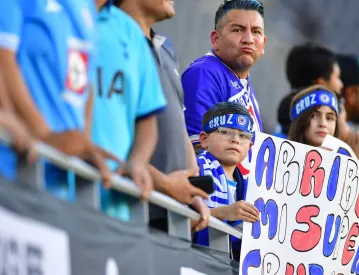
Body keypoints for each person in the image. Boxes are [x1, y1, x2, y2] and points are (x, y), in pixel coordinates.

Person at [0, 0, 118, 199]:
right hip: (13, 168)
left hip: (58, 185)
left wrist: (82, 145)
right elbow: (3, 57)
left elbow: (84, 86)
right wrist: (45, 136)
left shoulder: (86, 7)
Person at [116, 0, 209, 231]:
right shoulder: (113, 39)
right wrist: (165, 184)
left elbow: (178, 122)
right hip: (132, 203)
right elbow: (109, 133)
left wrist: (190, 190)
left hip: (173, 212)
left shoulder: (166, 49)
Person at [91, 0, 170, 220]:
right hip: (48, 178)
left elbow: (146, 119)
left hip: (113, 200)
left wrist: (137, 160)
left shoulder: (130, 33)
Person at [288, 85, 359, 271]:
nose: (322, 123)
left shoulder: (346, 176)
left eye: (330, 117)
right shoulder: (281, 166)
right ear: (301, 121)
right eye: (313, 115)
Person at [182, 0, 266, 156]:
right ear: (216, 39)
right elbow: (197, 149)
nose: (248, 39)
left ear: (264, 44)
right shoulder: (205, 73)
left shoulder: (244, 84)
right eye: (237, 30)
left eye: (256, 31)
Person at [193, 102, 259, 261]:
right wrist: (224, 213)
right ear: (204, 139)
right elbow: (177, 218)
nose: (235, 139)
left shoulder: (251, 189)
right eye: (225, 132)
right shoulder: (194, 168)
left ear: (249, 146)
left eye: (243, 135)